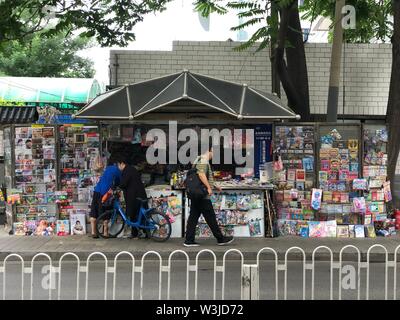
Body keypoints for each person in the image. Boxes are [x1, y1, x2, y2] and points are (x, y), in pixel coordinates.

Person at [184, 148, 234, 247]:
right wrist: (208, 188)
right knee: (210, 217)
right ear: (209, 150)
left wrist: (215, 185)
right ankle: (221, 239)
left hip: (196, 194)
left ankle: (189, 240)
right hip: (202, 194)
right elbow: (201, 174)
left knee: (193, 217)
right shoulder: (203, 160)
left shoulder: (198, 160)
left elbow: (203, 176)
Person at [116, 156, 148, 239]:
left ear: (122, 164)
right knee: (139, 214)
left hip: (134, 196)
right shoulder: (131, 169)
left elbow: (124, 183)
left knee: (134, 214)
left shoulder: (127, 171)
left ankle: (136, 233)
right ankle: (143, 233)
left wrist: (117, 187)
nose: (118, 167)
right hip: (139, 194)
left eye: (118, 165)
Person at [89, 158, 121, 238]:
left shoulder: (107, 168)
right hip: (105, 193)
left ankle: (93, 232)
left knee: (94, 209)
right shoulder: (117, 170)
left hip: (97, 190)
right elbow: (119, 182)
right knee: (105, 211)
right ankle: (105, 232)